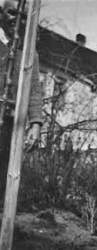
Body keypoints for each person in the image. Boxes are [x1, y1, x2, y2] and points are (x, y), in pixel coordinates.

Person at [0, 0, 43, 198]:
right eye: (12, 13)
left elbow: (34, 89)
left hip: (9, 123)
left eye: (24, 17)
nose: (17, 20)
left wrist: (35, 123)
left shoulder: (28, 53)